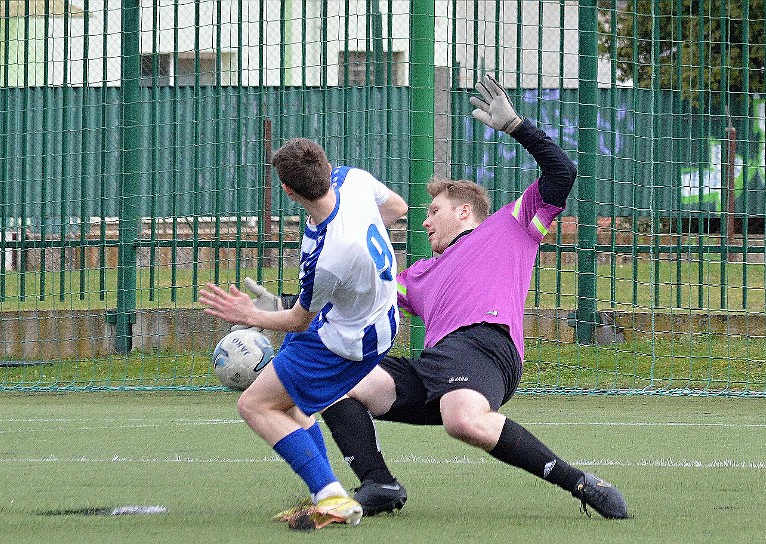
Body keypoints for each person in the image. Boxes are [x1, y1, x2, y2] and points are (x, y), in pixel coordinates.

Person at [319, 74, 629, 519]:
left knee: (462, 420)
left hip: (485, 346)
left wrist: (517, 126)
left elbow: (563, 172)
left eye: (434, 211)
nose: (425, 223)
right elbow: (359, 291)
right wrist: (292, 307)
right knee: (335, 381)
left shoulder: (512, 224)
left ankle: (583, 483)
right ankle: (379, 483)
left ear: (464, 211)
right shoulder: (418, 273)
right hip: (434, 364)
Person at [199, 137, 408, 530]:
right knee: (289, 402)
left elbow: (299, 321)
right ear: (328, 168)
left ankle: (331, 496)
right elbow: (398, 207)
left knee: (255, 405)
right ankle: (325, 493)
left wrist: (250, 314)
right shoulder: (354, 180)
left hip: (347, 341)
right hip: (363, 318)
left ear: (288, 191)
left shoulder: (328, 255)